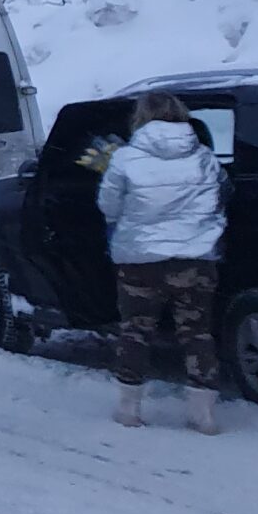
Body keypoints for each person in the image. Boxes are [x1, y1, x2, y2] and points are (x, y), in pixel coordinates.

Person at [97, 90, 227, 434]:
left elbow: (107, 207)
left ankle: (130, 409)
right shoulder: (204, 157)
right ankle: (204, 415)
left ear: (141, 116)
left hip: (140, 260)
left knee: (136, 331)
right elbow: (220, 199)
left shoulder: (125, 159)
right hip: (195, 258)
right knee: (197, 333)